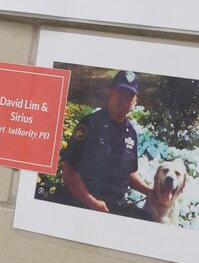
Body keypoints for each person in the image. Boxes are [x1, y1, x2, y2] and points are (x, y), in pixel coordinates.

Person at [56, 71, 155, 220]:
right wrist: (92, 202)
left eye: (129, 96)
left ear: (135, 102)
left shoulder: (131, 134)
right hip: (82, 205)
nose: (124, 100)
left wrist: (150, 191)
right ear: (110, 93)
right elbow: (68, 169)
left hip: (114, 208)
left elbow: (128, 173)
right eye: (120, 93)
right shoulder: (90, 124)